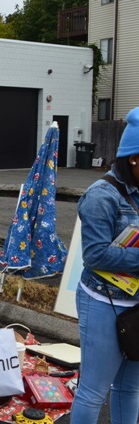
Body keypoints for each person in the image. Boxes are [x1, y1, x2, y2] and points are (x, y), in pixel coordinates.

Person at [71, 107, 139, 424]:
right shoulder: (100, 196)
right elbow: (95, 255)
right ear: (134, 158)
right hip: (103, 301)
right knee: (93, 391)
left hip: (135, 304)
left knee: (130, 388)